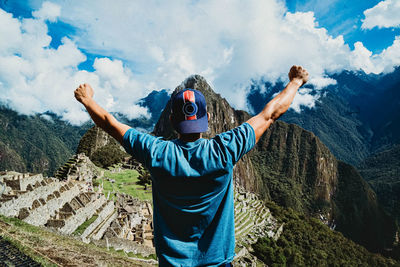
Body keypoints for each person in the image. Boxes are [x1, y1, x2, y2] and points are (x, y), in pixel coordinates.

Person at [74, 65, 309, 266]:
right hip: (216, 261)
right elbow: (270, 114)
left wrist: (87, 99)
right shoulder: (224, 150)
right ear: (206, 118)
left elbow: (109, 123)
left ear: (171, 120)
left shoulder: (156, 153)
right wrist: (296, 82)